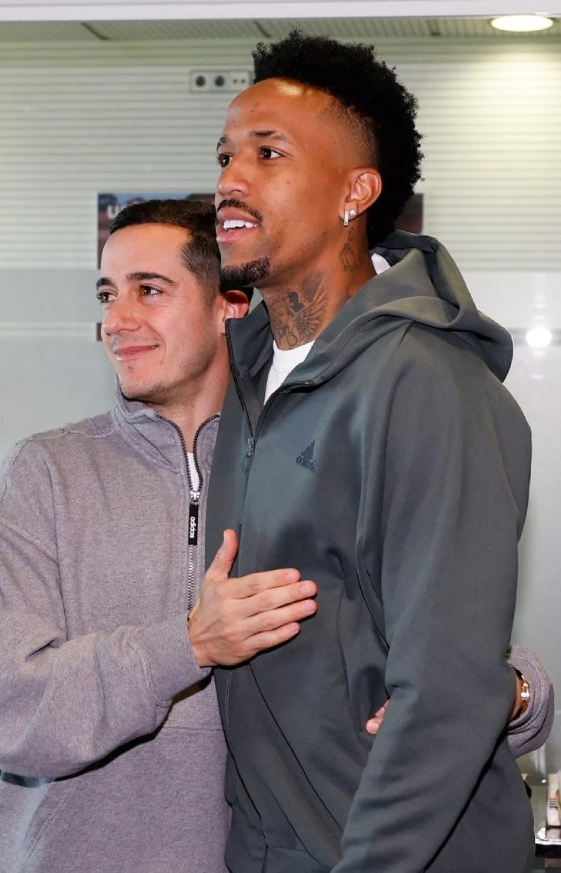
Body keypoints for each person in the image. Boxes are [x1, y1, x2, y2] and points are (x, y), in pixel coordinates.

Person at [206, 30, 546, 873]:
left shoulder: (427, 383)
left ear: (356, 191)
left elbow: (447, 690)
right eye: (225, 155)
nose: (230, 180)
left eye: (267, 153)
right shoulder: (249, 378)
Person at [0, 199, 324, 873]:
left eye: (148, 290)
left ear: (230, 305)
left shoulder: (304, 473)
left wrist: (514, 696)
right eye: (107, 295)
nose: (117, 321)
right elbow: (10, 710)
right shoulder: (41, 474)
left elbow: (431, 635)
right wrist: (188, 644)